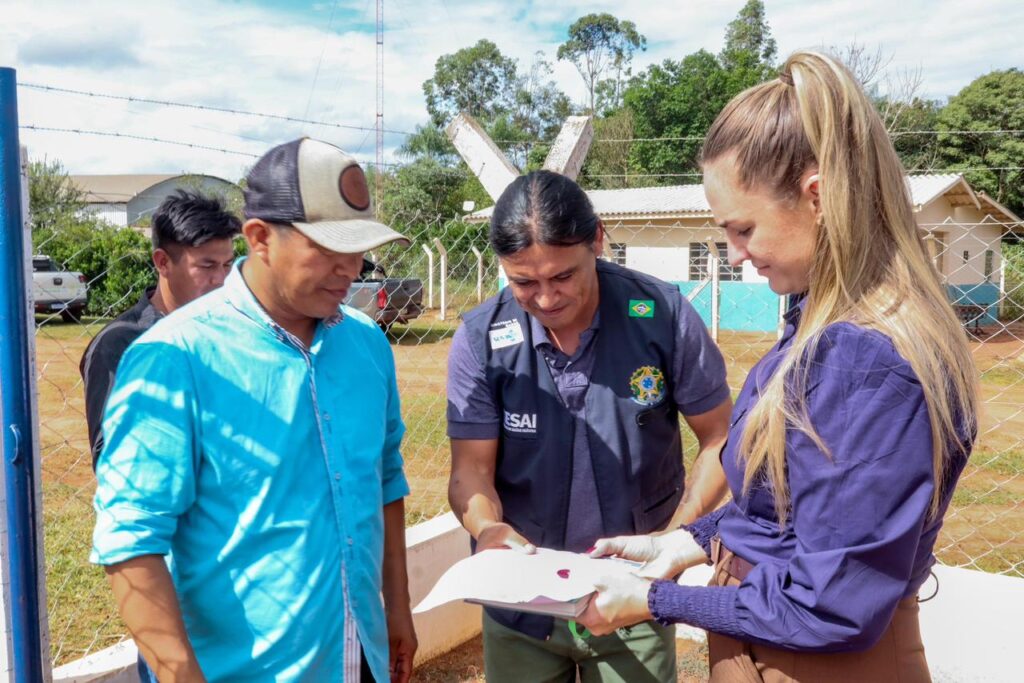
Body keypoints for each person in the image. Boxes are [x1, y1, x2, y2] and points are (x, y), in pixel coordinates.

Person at [577, 51, 978, 683]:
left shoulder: (863, 359)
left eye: (743, 229)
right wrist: (685, 541)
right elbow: (789, 509)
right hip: (770, 644)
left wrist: (654, 600)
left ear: (817, 197)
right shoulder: (820, 319)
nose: (734, 255)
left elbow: (828, 603)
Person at [91, 138, 418, 682]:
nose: (351, 268)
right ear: (260, 237)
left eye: (359, 249)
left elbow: (384, 478)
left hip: (359, 654)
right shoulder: (175, 357)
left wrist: (397, 608)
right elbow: (130, 538)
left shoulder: (366, 344)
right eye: (328, 248)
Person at [446, 170, 733, 682]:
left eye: (563, 276)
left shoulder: (661, 314)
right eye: (523, 283)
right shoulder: (481, 338)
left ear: (597, 240)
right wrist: (488, 529)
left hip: (632, 596)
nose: (546, 299)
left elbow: (720, 437)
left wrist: (671, 541)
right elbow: (471, 470)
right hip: (522, 607)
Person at [80, 189, 240, 468]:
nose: (221, 279)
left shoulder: (231, 330)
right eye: (207, 266)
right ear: (163, 262)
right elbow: (111, 457)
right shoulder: (121, 343)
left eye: (227, 265)